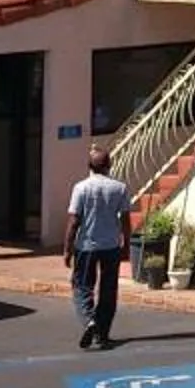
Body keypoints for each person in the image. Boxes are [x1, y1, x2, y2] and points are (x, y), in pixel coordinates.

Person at [63, 146, 133, 351]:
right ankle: (102, 333)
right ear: (109, 165)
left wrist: (67, 249)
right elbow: (125, 220)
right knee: (108, 289)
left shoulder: (81, 188)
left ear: (89, 166)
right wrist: (126, 244)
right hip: (110, 245)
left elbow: (74, 221)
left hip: (86, 245)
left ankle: (89, 320)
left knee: (81, 286)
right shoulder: (119, 188)